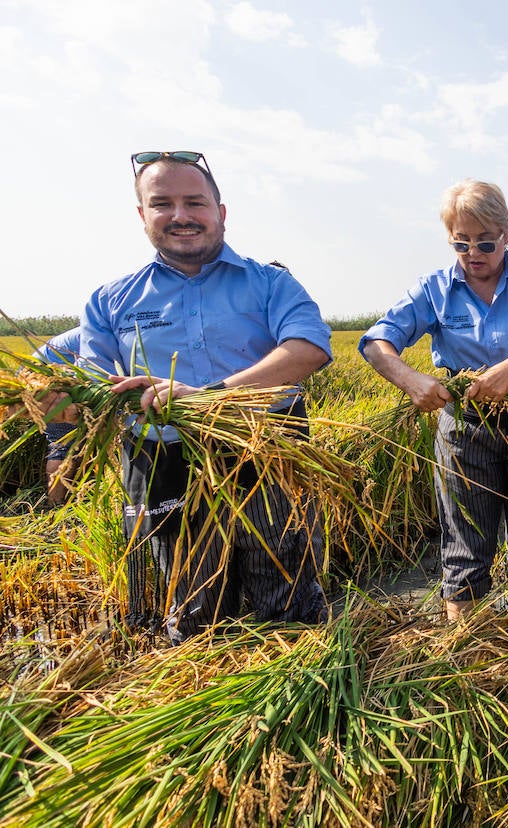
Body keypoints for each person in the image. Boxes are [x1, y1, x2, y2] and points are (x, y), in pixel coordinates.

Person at [79, 150, 332, 642]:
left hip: (266, 450)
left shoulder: (270, 282)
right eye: (162, 203)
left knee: (287, 593)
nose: (180, 215)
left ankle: (295, 693)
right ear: (142, 215)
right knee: (191, 605)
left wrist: (206, 398)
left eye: (194, 201)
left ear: (220, 210)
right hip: (164, 459)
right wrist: (67, 400)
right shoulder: (111, 299)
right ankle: (203, 697)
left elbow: (308, 349)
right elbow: (91, 383)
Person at [361, 180, 508, 636]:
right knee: (465, 540)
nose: (473, 253)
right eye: (461, 243)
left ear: (507, 234)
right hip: (466, 422)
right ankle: (471, 648)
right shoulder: (434, 289)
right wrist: (412, 379)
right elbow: (377, 343)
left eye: (485, 242)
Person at [32, 327, 81, 504]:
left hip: (46, 380)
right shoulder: (97, 335)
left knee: (68, 443)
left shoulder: (95, 329)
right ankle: (55, 504)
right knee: (62, 443)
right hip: (46, 387)